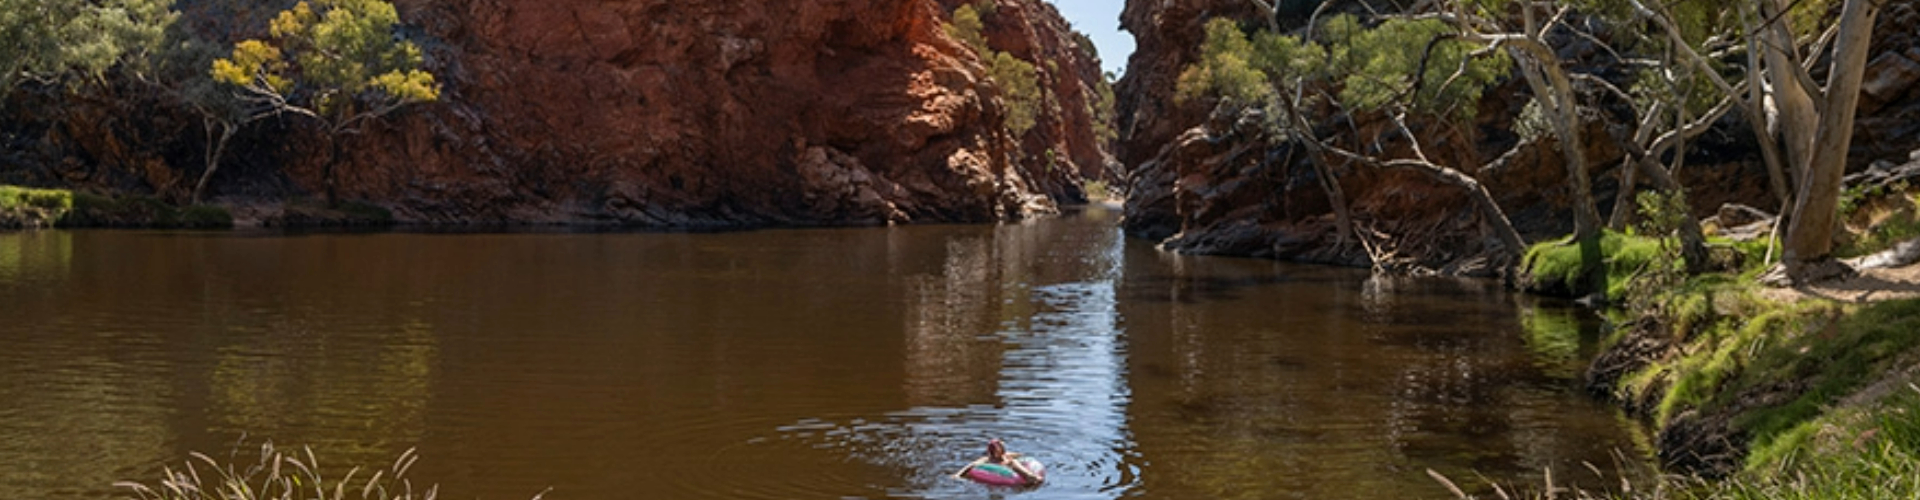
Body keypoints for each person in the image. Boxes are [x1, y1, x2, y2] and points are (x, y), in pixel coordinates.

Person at [951, 439, 1042, 485]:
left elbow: (1022, 456)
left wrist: (1025, 459)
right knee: (1012, 463)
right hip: (1003, 472)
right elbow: (972, 465)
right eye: (995, 451)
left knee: (1013, 462)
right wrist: (958, 474)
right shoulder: (987, 459)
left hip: (1014, 469)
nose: (998, 453)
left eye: (1000, 450)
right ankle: (1030, 477)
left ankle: (1030, 476)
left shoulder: (1007, 455)